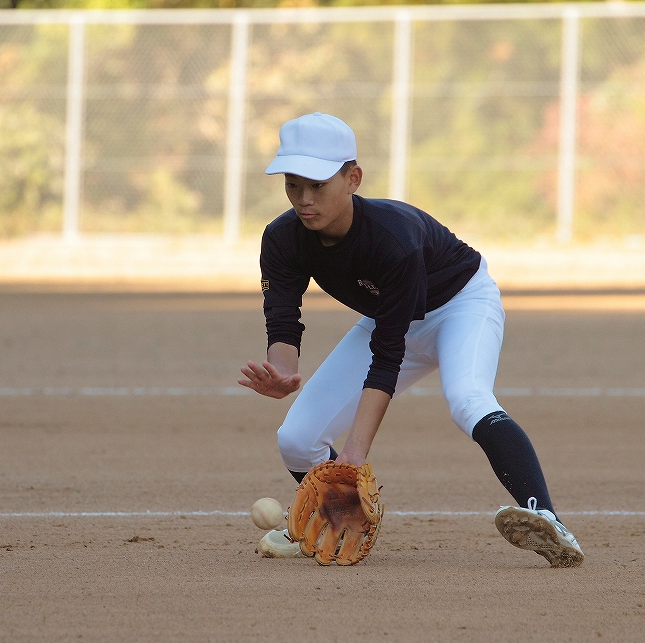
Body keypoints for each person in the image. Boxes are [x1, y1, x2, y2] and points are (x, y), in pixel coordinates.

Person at [239, 112, 583, 568]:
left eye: (318, 185)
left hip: (460, 307)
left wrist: (355, 459)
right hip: (390, 318)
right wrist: (281, 372)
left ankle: (549, 521)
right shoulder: (283, 238)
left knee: (469, 400)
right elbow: (283, 321)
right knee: (297, 438)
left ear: (353, 178)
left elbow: (388, 354)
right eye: (293, 184)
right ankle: (338, 514)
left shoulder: (392, 238)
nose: (305, 199)